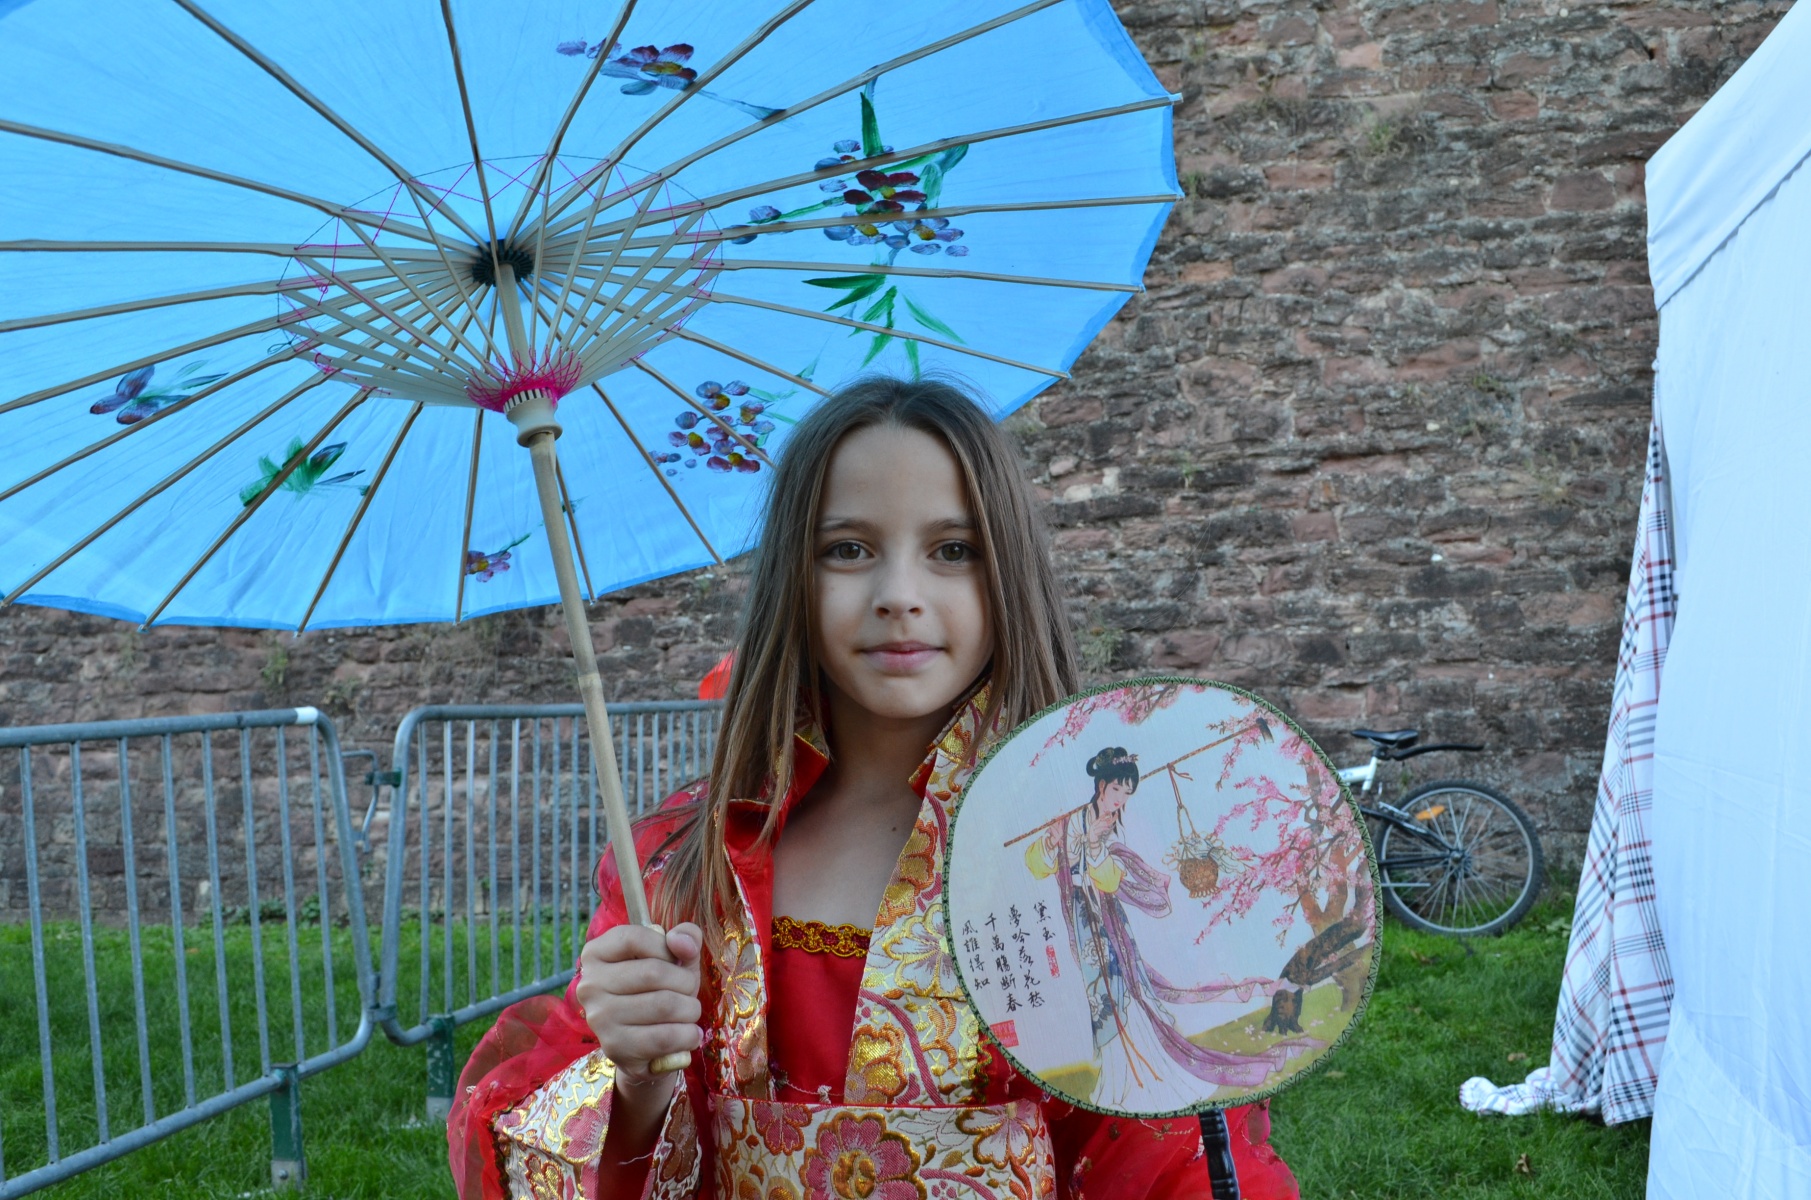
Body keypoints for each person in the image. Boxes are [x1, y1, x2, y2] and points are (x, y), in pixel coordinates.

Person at [448, 377, 1301, 1199]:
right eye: (848, 549)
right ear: (793, 574)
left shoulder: (1078, 851)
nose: (899, 596)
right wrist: (636, 1081)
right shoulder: (681, 865)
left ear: (1010, 574)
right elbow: (607, 1161)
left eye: (953, 550)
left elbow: (1162, 1159)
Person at [1028, 748, 1317, 1114]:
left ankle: (1145, 1071)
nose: (1119, 799)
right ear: (1101, 786)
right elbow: (1038, 867)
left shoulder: (1110, 827)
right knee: (1100, 995)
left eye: (1126, 793)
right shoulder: (1071, 820)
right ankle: (1118, 1075)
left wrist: (1097, 846)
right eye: (1116, 789)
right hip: (1083, 921)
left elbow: (1111, 881)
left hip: (1109, 922)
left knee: (1126, 989)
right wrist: (1050, 843)